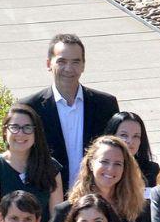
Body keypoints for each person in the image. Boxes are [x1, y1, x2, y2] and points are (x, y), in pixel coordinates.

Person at [21, 33, 118, 190]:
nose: (69, 68)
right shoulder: (30, 107)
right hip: (50, 199)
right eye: (61, 61)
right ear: (48, 64)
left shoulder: (106, 105)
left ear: (83, 65)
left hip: (95, 198)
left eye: (75, 62)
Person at [54, 136, 152, 222]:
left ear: (124, 169)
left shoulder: (138, 208)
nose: (110, 169)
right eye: (104, 162)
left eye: (118, 164)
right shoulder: (66, 211)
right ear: (91, 164)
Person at [0, 103, 63, 222]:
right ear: (5, 131)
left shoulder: (50, 167)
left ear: (36, 132)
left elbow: (56, 216)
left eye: (27, 128)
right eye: (14, 127)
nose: (21, 133)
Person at [105, 111, 160, 188]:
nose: (130, 141)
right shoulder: (102, 168)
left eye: (136, 136)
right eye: (124, 135)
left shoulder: (151, 170)